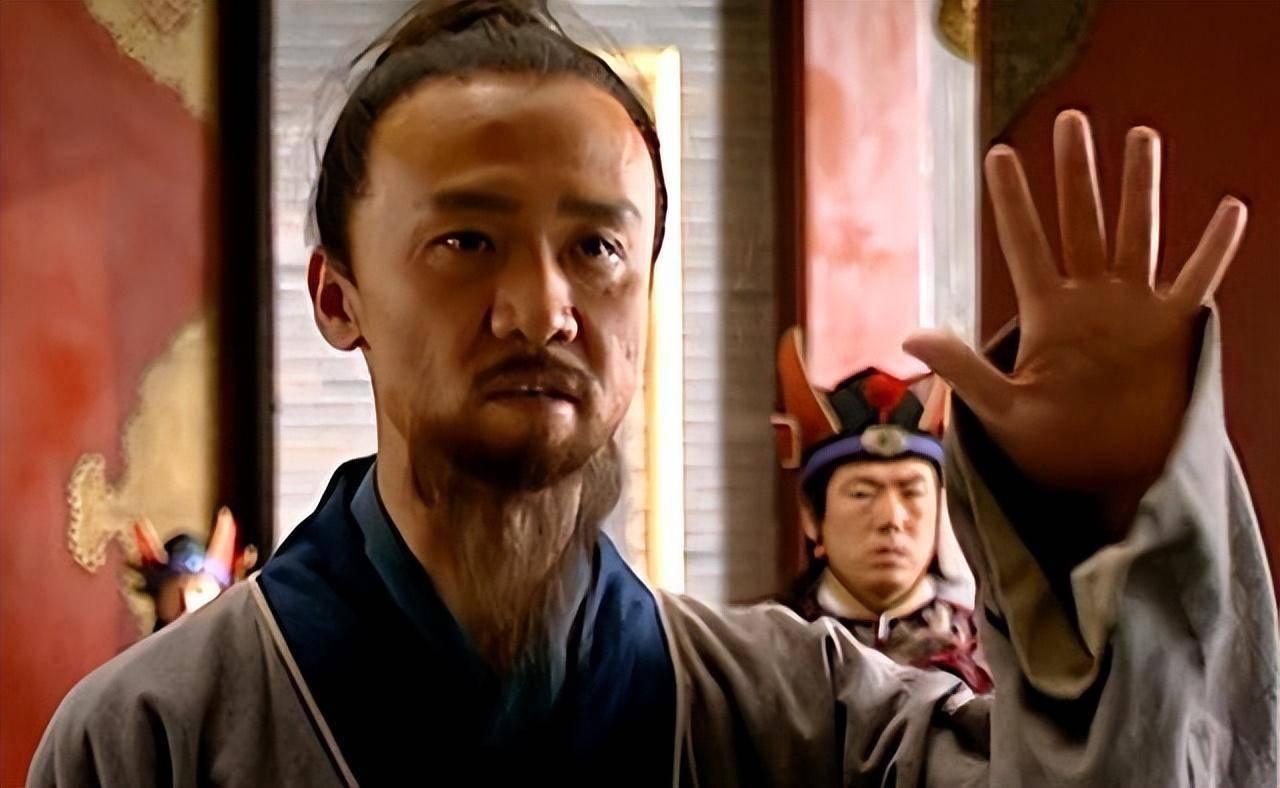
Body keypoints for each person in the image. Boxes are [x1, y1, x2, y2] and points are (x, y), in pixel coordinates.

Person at [30, 1, 1278, 785]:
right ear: (337, 293)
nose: (542, 307)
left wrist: (1103, 520)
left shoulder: (806, 713)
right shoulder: (151, 734)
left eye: (595, 246)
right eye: (466, 240)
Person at [772, 357, 991, 692]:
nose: (892, 519)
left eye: (912, 492)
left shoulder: (988, 655)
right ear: (812, 518)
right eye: (862, 493)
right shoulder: (770, 650)